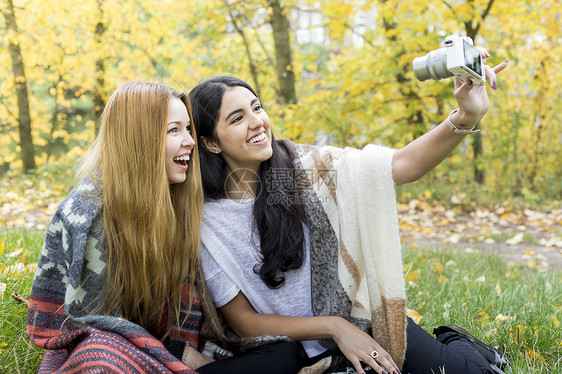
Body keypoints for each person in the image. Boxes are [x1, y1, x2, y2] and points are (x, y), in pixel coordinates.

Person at [189, 58, 510, 374]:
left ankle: (452, 339)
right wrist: (335, 328)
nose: (257, 121)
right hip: (298, 349)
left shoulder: (308, 169)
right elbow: (243, 322)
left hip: (361, 320)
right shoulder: (207, 224)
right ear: (210, 143)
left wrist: (466, 115)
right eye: (237, 118)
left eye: (257, 108)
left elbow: (399, 166)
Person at [27, 81, 302, 374]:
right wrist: (173, 355)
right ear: (139, 139)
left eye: (188, 129)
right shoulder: (89, 214)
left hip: (170, 351)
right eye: (174, 130)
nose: (190, 141)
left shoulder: (179, 202)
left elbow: (195, 323)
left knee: (284, 354)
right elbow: (89, 321)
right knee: (102, 358)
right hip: (116, 351)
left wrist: (183, 353)